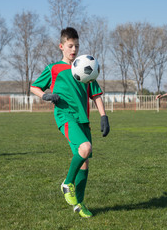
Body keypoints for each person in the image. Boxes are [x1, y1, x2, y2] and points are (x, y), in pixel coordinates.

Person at [30, 27, 110, 218]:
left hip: (83, 120)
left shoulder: (85, 65)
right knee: (85, 148)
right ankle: (67, 183)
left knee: (84, 163)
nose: (73, 49)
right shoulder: (54, 68)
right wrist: (46, 95)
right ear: (61, 46)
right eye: (70, 46)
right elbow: (34, 87)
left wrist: (104, 116)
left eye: (76, 46)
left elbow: (96, 95)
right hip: (65, 116)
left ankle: (79, 204)